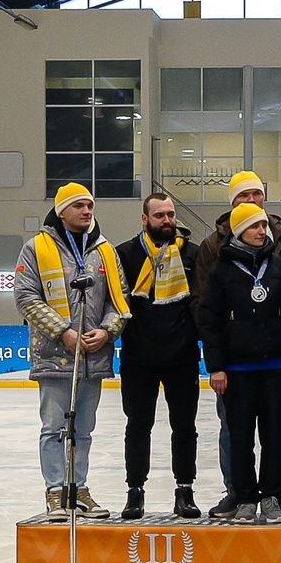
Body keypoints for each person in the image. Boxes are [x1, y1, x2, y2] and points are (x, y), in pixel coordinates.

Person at [14, 183, 128, 519]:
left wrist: (106, 331)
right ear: (62, 211)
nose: (87, 211)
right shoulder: (35, 248)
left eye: (90, 205)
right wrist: (62, 331)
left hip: (92, 358)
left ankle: (78, 489)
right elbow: (25, 298)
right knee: (53, 427)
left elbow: (120, 299)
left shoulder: (105, 251)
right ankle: (55, 491)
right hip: (53, 356)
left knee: (83, 430)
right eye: (79, 205)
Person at [194, 205, 281, 520]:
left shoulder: (280, 267)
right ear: (239, 231)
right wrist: (215, 366)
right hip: (237, 370)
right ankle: (244, 496)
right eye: (254, 226)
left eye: (263, 226)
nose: (262, 231)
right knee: (239, 436)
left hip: (276, 367)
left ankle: (271, 495)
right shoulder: (221, 270)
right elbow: (210, 320)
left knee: (274, 435)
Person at [114, 191, 203, 519]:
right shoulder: (125, 254)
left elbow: (200, 306)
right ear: (144, 219)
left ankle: (185, 491)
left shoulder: (191, 254)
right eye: (159, 216)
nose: (167, 221)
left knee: (185, 427)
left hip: (182, 357)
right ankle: (135, 492)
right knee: (138, 426)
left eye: (170, 215)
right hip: (138, 359)